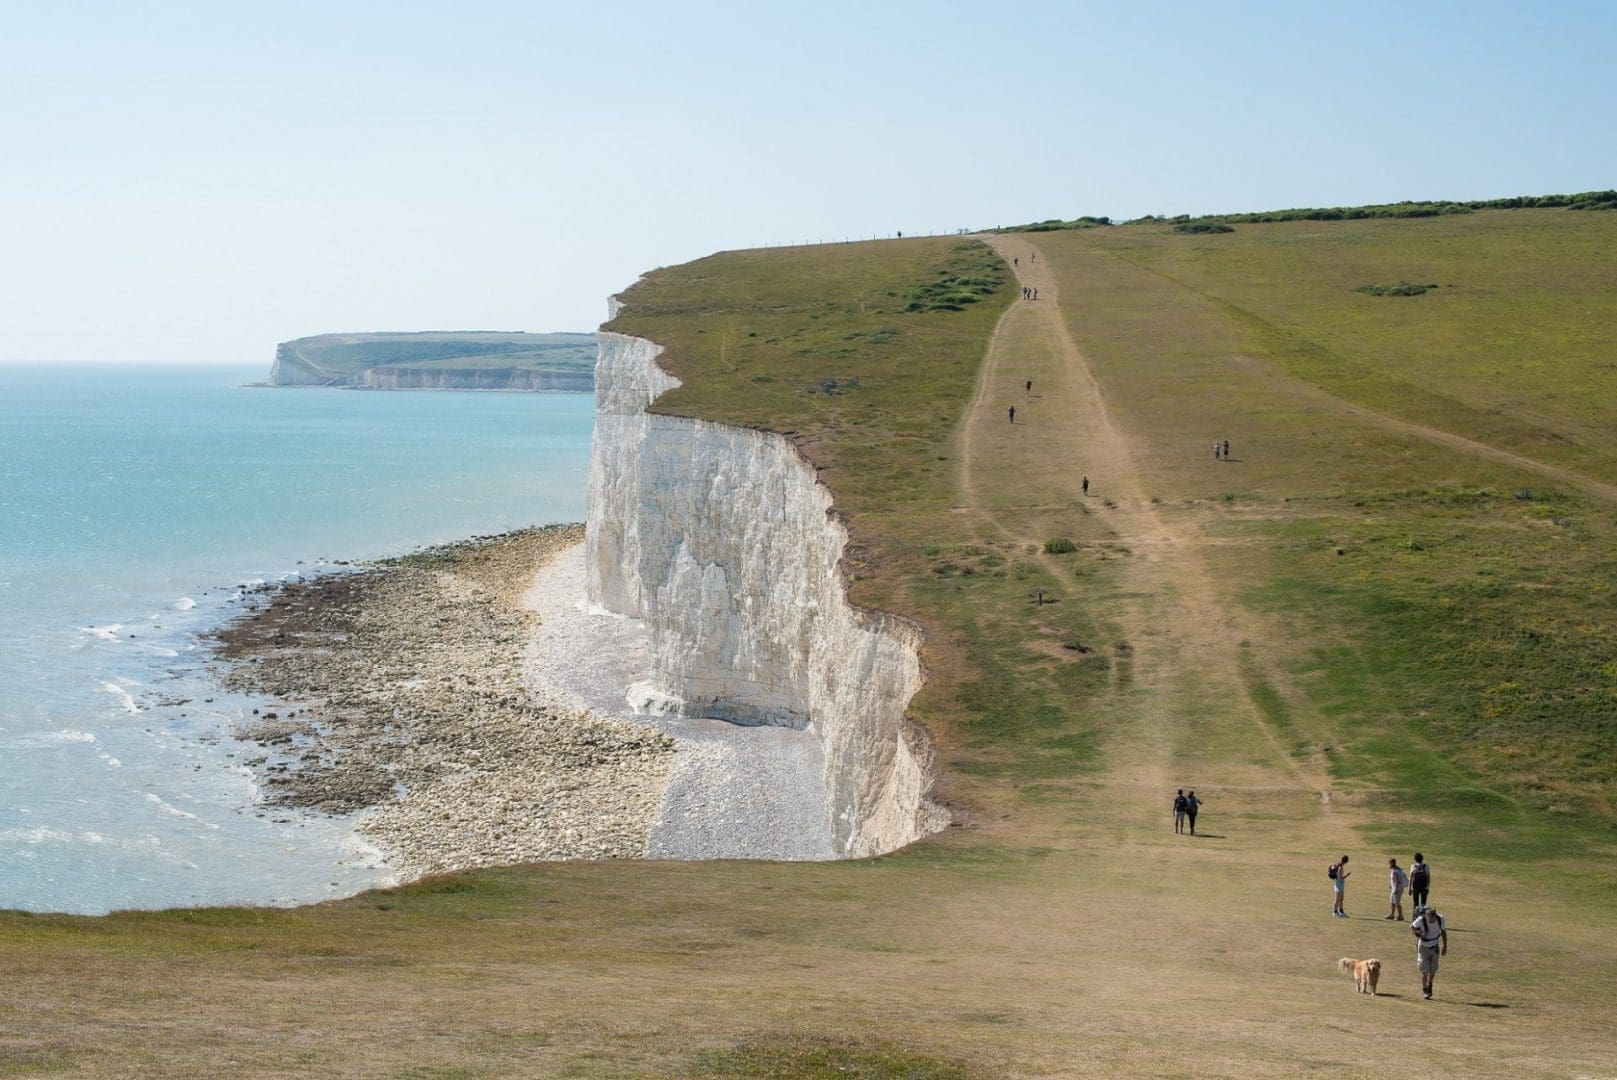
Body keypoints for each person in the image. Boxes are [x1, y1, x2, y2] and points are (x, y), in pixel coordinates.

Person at [1411, 905, 1448, 999]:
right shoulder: (1421, 920)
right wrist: (1418, 934)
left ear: (1435, 916)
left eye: (1432, 920)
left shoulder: (1440, 919)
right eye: (1428, 919)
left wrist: (1444, 946)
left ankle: (1430, 984)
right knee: (1424, 970)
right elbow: (1412, 927)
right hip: (1423, 946)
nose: (1430, 921)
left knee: (1433, 969)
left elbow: (1443, 932)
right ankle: (1425, 990)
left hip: (1435, 946)